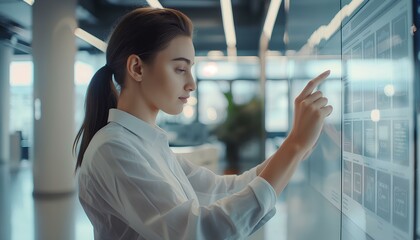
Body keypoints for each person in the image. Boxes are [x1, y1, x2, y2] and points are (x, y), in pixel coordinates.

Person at [73, 6, 333, 240]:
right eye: (180, 69)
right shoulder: (114, 149)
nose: (192, 84)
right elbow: (196, 232)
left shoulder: (148, 143)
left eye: (191, 69)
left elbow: (222, 189)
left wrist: (294, 149)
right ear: (137, 68)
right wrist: (294, 147)